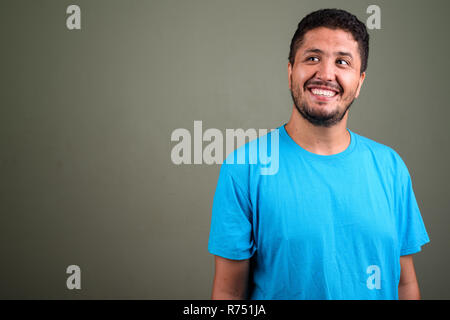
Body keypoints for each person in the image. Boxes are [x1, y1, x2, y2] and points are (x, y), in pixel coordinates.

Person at [208, 8, 430, 300]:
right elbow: (229, 293)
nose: (326, 74)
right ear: (290, 71)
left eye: (342, 62)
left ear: (360, 81)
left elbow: (404, 284)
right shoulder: (244, 168)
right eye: (312, 58)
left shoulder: (391, 168)